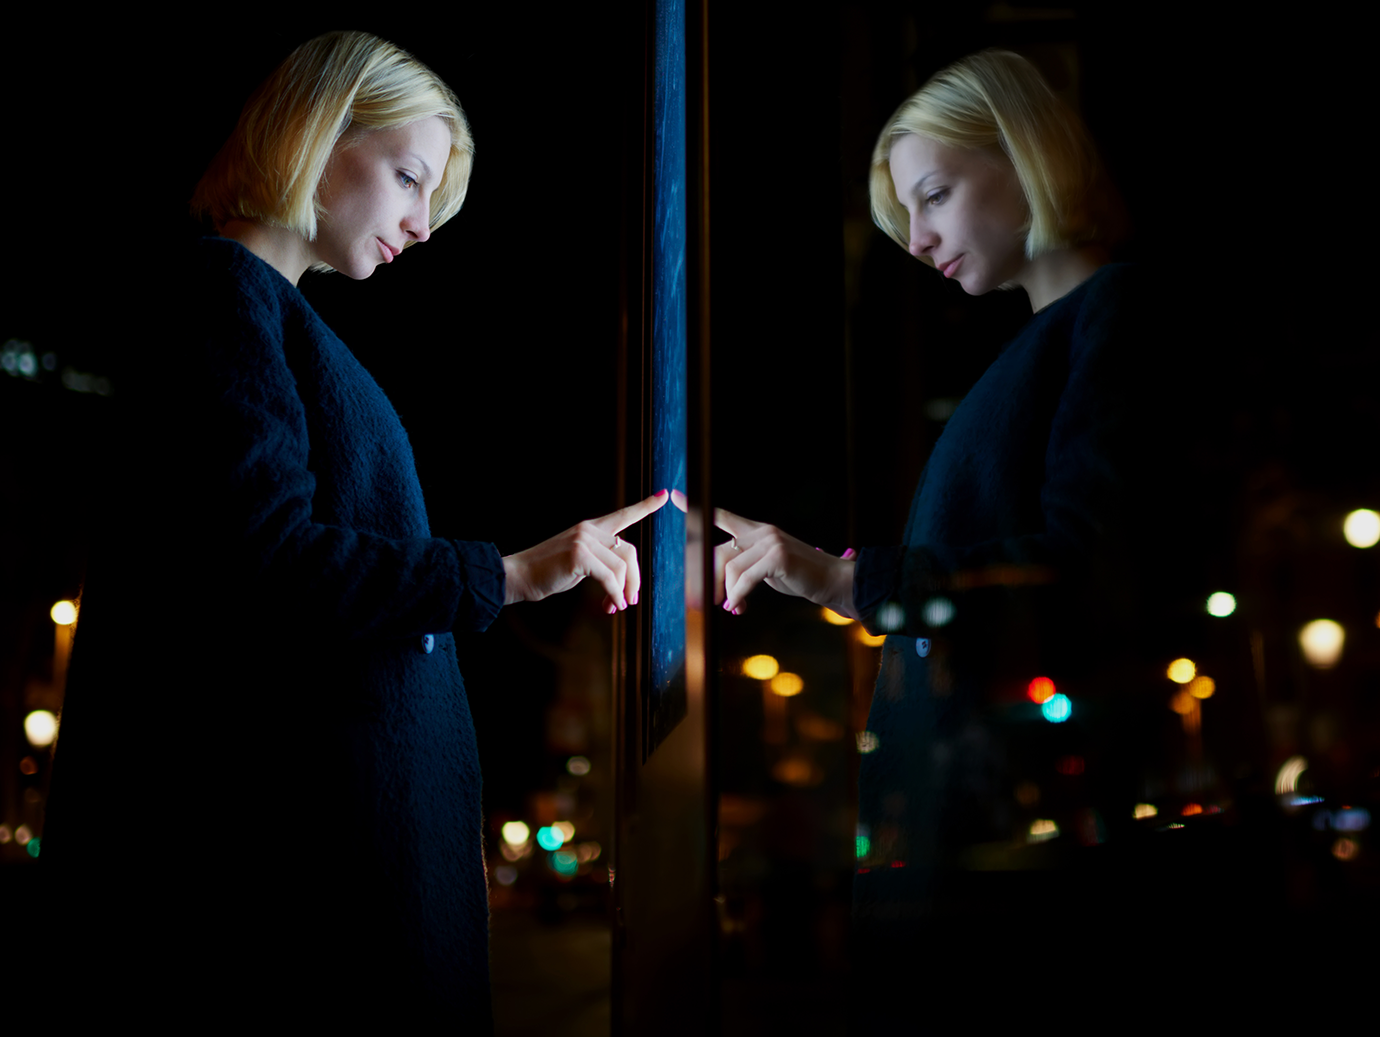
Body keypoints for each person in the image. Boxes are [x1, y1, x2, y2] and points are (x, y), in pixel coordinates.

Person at [42, 30, 664, 1026]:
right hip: (298, 875)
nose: (421, 225)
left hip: (309, 857)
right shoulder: (226, 298)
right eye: (410, 178)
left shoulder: (259, 310)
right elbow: (263, 557)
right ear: (320, 136)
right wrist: (505, 574)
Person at [711, 50, 1163, 1019]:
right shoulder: (1050, 341)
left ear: (1023, 153)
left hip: (1011, 834)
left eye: (935, 194)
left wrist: (844, 582)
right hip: (977, 816)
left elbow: (1083, 563)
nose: (918, 239)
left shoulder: (1111, 317)